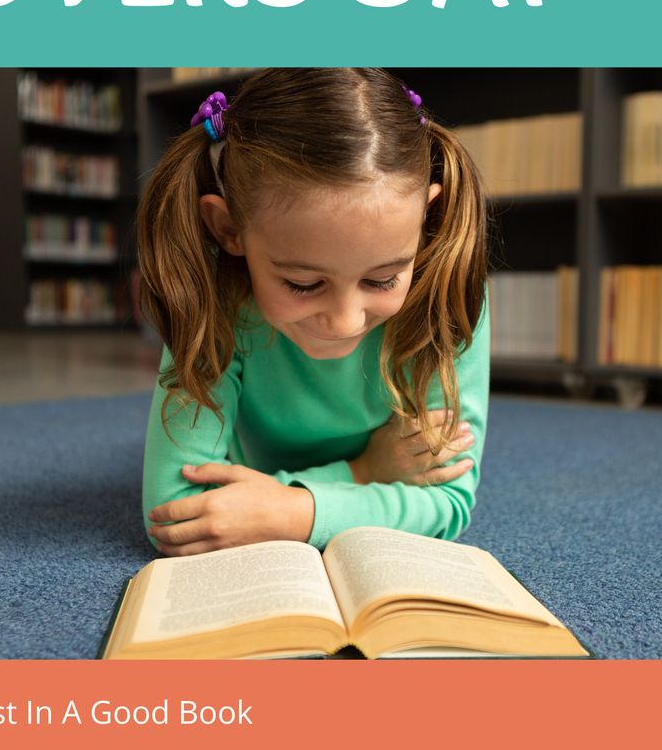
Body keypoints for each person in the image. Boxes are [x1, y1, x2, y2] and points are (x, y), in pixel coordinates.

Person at [138, 67, 490, 556]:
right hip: (364, 470)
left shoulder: (447, 295)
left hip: (257, 481)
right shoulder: (213, 300)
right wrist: (362, 473)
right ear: (228, 230)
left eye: (383, 279)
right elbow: (176, 513)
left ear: (427, 218)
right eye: (303, 284)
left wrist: (284, 507)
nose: (345, 321)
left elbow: (449, 499)